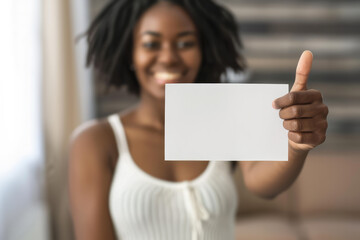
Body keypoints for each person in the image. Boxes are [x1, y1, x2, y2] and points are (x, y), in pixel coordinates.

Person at [68, 0, 329, 239]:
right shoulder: (97, 141)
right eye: (151, 44)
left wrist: (295, 146)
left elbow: (262, 185)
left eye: (185, 43)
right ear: (129, 53)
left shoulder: (223, 120)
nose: (169, 56)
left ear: (204, 50)